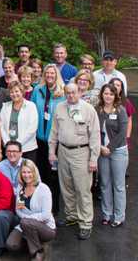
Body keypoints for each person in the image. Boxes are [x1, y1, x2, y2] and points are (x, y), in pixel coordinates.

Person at [48, 83, 100, 239]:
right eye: (68, 93)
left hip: (81, 152)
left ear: (79, 92)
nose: (71, 95)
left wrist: (93, 158)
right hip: (63, 151)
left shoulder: (88, 109)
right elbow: (54, 131)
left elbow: (95, 135)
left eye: (74, 92)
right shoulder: (60, 108)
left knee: (83, 189)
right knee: (67, 187)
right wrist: (52, 151)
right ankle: (72, 216)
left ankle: (85, 223)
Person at [31, 64, 65, 214]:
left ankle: (54, 207)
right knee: (41, 174)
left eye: (53, 73)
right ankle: (42, 205)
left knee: (54, 175)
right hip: (39, 140)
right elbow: (32, 111)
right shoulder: (37, 91)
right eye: (47, 73)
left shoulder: (62, 93)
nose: (50, 75)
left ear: (56, 75)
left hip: (54, 141)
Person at [5, 160, 55, 261]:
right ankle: (33, 241)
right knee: (11, 245)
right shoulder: (21, 188)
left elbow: (46, 215)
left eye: (29, 172)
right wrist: (27, 222)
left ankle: (37, 252)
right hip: (25, 225)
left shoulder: (43, 189)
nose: (26, 175)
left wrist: (28, 221)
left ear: (34, 172)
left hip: (46, 228)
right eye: (24, 172)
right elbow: (18, 210)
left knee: (26, 222)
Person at [95, 84, 128, 228]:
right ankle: (106, 214)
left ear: (116, 96)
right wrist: (100, 147)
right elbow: (94, 130)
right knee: (104, 184)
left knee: (118, 185)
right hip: (102, 151)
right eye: (105, 93)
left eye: (111, 94)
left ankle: (119, 216)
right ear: (102, 95)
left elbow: (122, 133)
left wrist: (109, 148)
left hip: (118, 151)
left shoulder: (121, 111)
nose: (108, 96)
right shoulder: (98, 110)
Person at [0, 82, 39, 161]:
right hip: (9, 149)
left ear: (22, 92)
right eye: (11, 92)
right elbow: (1, 126)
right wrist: (8, 143)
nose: (14, 94)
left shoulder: (31, 106)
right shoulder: (5, 106)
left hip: (27, 148)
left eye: (16, 91)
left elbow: (32, 128)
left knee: (26, 172)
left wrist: (17, 144)